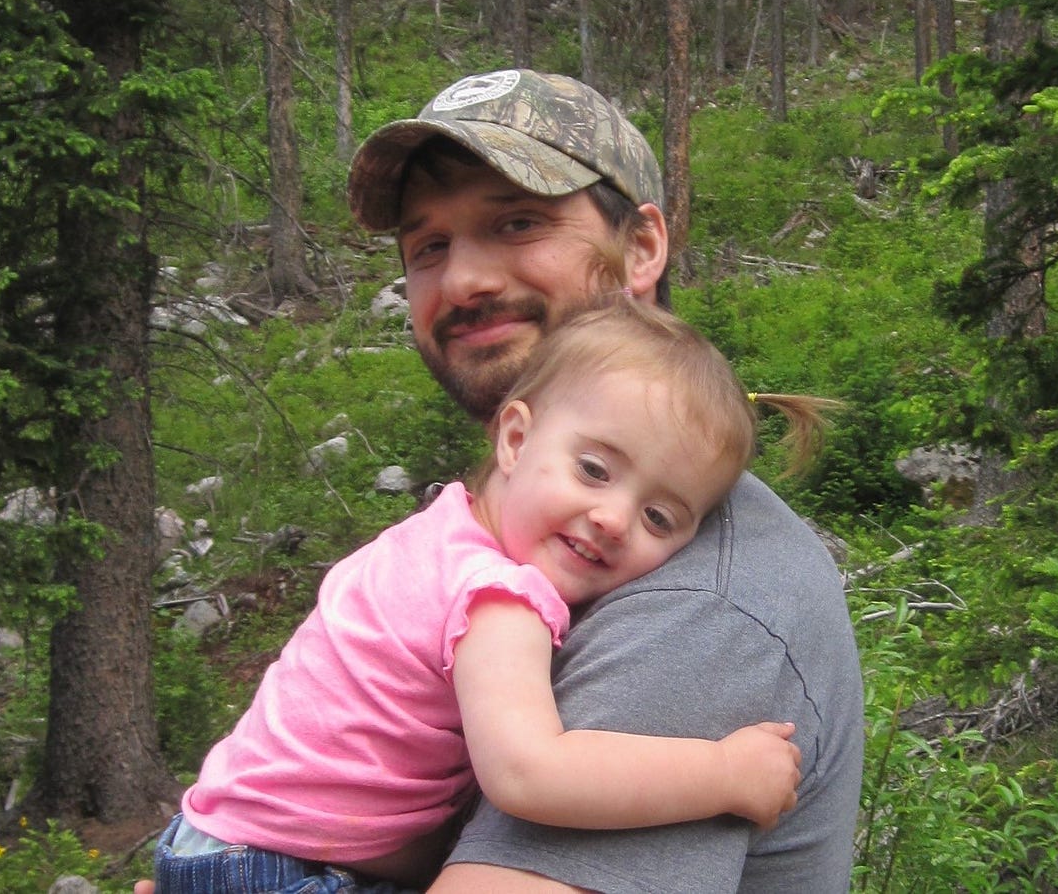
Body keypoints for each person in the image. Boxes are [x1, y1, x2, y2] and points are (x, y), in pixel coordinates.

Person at [141, 67, 863, 893]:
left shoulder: (701, 604)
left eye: (518, 222)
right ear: (518, 441)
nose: (465, 280)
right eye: (429, 247)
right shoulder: (500, 554)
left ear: (643, 247)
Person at [151, 297, 826, 893]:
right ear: (515, 438)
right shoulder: (498, 598)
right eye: (594, 469)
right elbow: (530, 774)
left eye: (660, 518)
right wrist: (725, 772)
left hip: (217, 840)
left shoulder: (434, 533)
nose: (615, 518)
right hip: (276, 869)